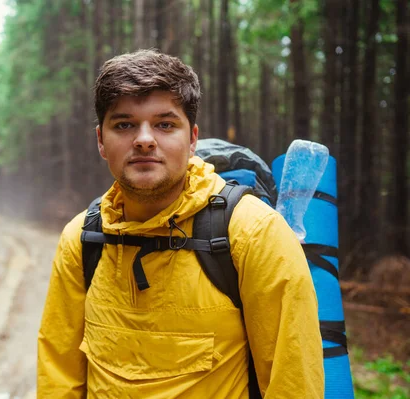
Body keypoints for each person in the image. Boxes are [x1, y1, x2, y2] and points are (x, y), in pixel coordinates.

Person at [37, 49, 324, 398]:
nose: (144, 139)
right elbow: (59, 375)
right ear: (101, 140)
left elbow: (293, 384)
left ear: (192, 140)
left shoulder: (253, 233)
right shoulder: (82, 239)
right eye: (124, 124)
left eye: (165, 124)